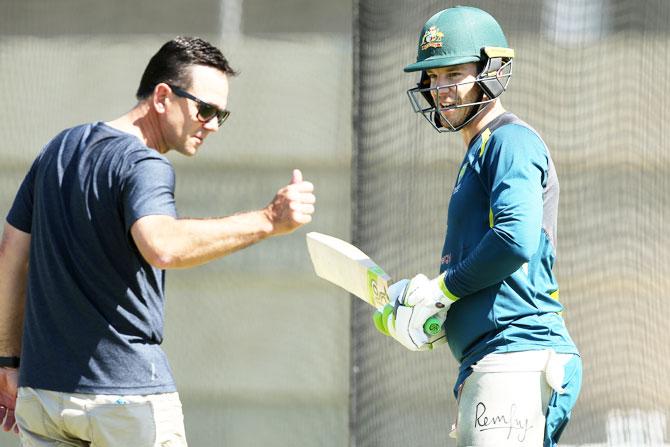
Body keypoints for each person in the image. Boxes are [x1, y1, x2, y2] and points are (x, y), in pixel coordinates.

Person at [0, 36, 315, 446]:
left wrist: (8, 360)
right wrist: (269, 219)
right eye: (204, 110)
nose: (213, 125)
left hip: (44, 398)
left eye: (223, 114)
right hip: (125, 400)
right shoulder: (143, 163)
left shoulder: (59, 148)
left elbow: (10, 255)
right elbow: (162, 245)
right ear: (163, 96)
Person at [372, 6, 581, 447]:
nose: (440, 90)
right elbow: (489, 278)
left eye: (454, 74)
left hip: (518, 353)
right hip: (494, 357)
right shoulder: (480, 150)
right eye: (432, 78)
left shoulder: (510, 141)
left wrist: (443, 290)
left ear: (492, 71)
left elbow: (513, 239)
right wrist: (433, 314)